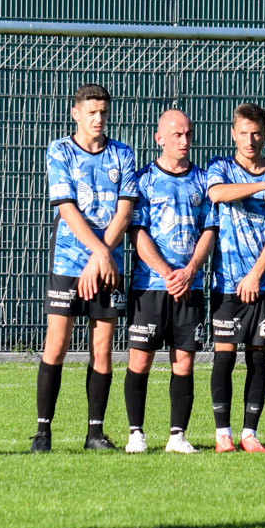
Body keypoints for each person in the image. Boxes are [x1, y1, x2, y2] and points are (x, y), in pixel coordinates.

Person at [36, 83, 137, 453]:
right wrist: (99, 252)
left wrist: (101, 256)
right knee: (57, 343)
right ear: (76, 113)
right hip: (69, 259)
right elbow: (66, 208)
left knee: (102, 348)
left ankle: (95, 433)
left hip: (107, 264)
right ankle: (43, 433)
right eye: (91, 112)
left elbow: (124, 212)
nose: (98, 118)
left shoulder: (123, 154)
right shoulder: (60, 150)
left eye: (103, 112)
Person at [125, 109, 217, 454]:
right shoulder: (143, 180)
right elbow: (137, 232)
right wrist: (167, 273)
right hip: (150, 286)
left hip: (190, 286)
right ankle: (136, 434)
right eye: (177, 134)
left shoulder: (203, 180)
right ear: (159, 138)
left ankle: (177, 436)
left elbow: (210, 229)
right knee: (140, 360)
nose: (184, 140)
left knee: (184, 362)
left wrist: (190, 270)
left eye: (188, 134)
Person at [206, 103, 265, 453]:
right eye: (243, 133)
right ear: (233, 134)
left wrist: (256, 274)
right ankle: (222, 434)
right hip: (226, 282)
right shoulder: (221, 167)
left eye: (256, 133)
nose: (250, 140)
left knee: (257, 357)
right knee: (224, 356)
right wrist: (263, 185)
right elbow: (217, 193)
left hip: (263, 283)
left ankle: (249, 434)